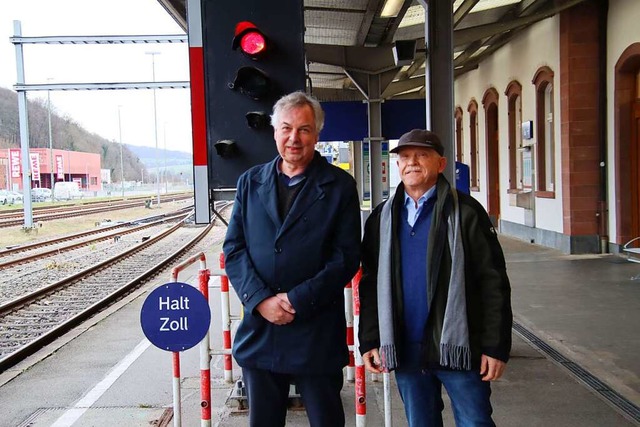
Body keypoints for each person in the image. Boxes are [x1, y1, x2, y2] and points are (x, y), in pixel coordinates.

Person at [223, 91, 361, 427]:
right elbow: (234, 249)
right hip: (261, 331)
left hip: (315, 332)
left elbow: (345, 258)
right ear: (274, 132)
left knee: (327, 421)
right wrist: (260, 300)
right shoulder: (250, 183)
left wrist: (296, 299)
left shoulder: (339, 186)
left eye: (303, 129)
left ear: (317, 134)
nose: (293, 138)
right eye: (286, 128)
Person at [358, 129, 512, 426]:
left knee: (475, 422)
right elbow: (371, 282)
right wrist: (371, 340)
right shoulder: (382, 218)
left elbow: (493, 281)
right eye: (404, 157)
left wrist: (495, 346)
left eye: (421, 155)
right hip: (405, 347)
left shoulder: (466, 212)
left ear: (441, 164)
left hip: (459, 347)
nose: (411, 162)